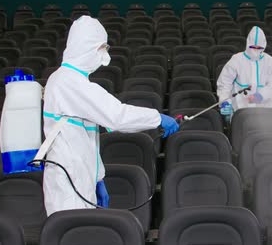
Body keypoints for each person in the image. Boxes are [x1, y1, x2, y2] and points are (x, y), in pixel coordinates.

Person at [42, 15, 178, 216]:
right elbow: (117, 116)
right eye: (102, 48)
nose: (104, 54)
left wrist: (98, 178)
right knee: (70, 240)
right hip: (68, 185)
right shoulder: (69, 82)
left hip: (80, 179)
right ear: (87, 47)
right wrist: (157, 118)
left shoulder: (72, 81)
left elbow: (87, 138)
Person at [216, 26, 272, 118]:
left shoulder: (269, 61)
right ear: (248, 44)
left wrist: (261, 96)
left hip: (264, 110)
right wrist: (224, 101)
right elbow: (224, 83)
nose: (255, 50)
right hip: (240, 109)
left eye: (259, 47)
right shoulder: (237, 60)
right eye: (252, 47)